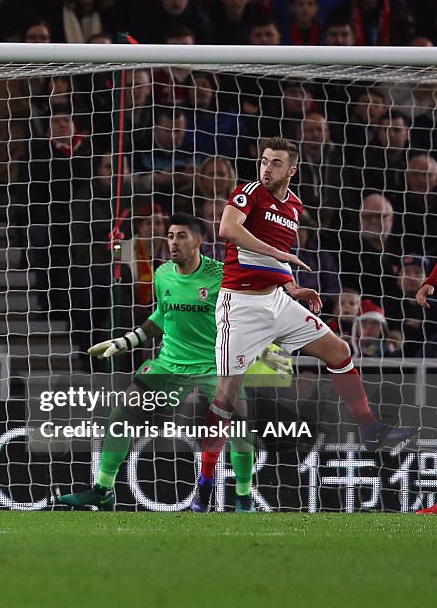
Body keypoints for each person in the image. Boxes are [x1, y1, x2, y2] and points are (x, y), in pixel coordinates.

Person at [208, 137, 416, 465]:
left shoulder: (294, 206)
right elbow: (227, 229)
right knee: (226, 397)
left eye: (276, 163)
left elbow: (271, 262)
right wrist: (280, 254)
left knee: (339, 351)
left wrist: (292, 287)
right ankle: (205, 484)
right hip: (241, 304)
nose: (266, 168)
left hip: (276, 300)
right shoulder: (247, 193)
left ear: (292, 170)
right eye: (264, 161)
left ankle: (369, 429)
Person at [57, 214, 271, 512]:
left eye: (181, 236)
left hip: (214, 366)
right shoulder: (162, 275)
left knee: (239, 429)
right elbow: (161, 316)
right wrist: (125, 342)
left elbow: (250, 313)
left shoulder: (223, 277)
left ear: (198, 240)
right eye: (170, 236)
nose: (173, 242)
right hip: (170, 364)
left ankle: (243, 496)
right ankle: (103, 489)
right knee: (122, 412)